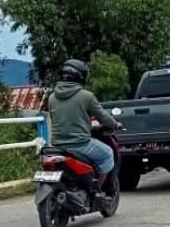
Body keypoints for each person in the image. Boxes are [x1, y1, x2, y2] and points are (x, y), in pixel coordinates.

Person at [46, 60, 122, 206]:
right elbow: (102, 116)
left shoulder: (52, 97)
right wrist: (115, 124)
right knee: (107, 154)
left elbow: (53, 119)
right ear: (81, 76)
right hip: (80, 144)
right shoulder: (86, 96)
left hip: (57, 145)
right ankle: (96, 192)